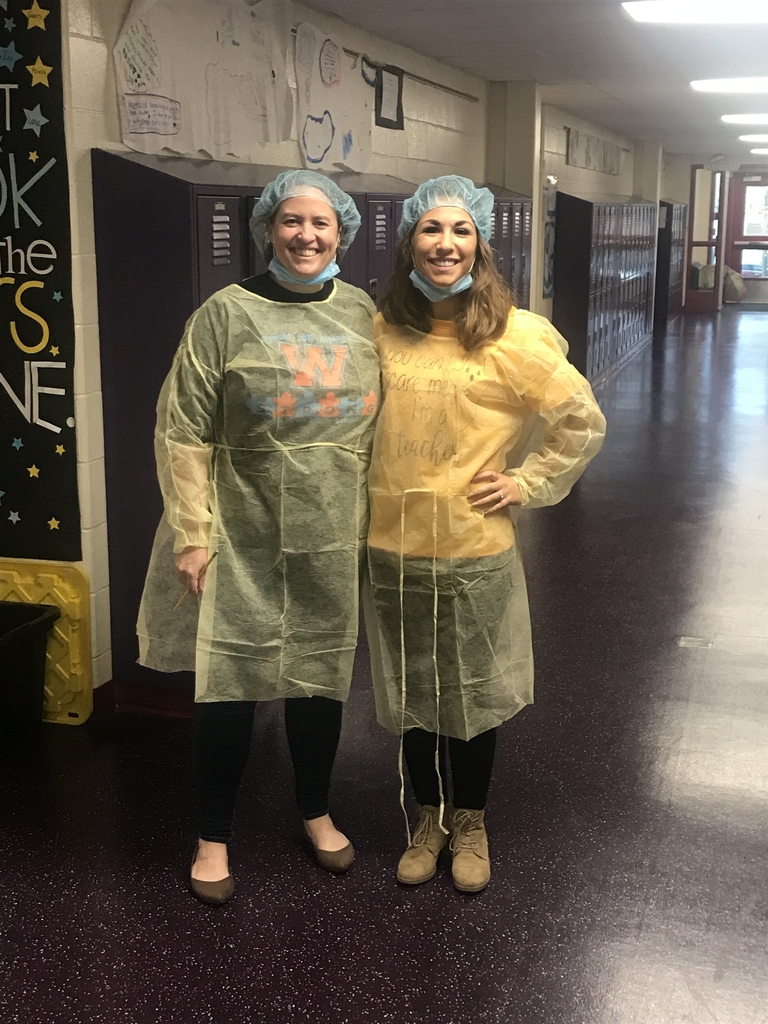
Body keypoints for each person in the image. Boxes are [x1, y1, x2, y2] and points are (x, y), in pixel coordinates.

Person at [137, 170, 380, 904]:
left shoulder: (362, 313)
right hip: (241, 529)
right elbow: (183, 429)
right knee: (228, 687)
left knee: (319, 681)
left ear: (342, 233)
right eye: (292, 222)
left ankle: (315, 809)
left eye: (322, 224)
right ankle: (212, 836)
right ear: (268, 227)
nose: (307, 236)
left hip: (333, 532)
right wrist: (192, 532)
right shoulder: (225, 313)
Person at [364, 176, 606, 893]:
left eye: (460, 231)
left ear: (481, 244)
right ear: (410, 241)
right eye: (432, 230)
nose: (445, 244)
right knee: (413, 693)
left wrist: (524, 483)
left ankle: (470, 820)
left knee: (469, 695)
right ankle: (427, 817)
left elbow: (580, 420)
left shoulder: (512, 335)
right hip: (391, 544)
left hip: (474, 546)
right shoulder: (379, 330)